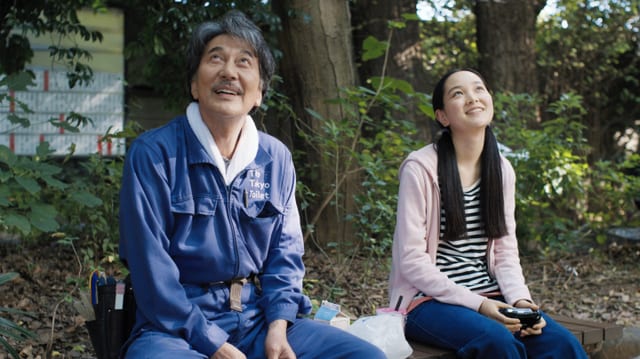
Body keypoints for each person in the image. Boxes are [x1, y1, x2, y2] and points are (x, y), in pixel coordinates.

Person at [118, 10, 386, 359]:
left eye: (244, 62)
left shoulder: (275, 158)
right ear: (194, 85)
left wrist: (278, 325)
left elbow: (285, 256)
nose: (229, 71)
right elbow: (150, 271)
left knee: (366, 357)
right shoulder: (153, 154)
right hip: (174, 328)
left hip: (257, 318)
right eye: (216, 58)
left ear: (259, 92)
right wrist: (211, 343)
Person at [388, 68, 588, 358]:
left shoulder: (501, 169)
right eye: (458, 93)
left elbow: (506, 252)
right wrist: (478, 305)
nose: (472, 98)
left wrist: (521, 300)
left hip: (492, 296)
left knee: (561, 344)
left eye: (479, 89)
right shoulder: (420, 168)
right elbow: (411, 261)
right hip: (426, 302)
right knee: (498, 343)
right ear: (442, 116)